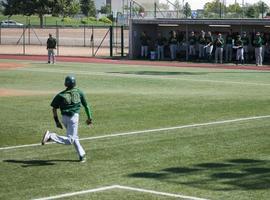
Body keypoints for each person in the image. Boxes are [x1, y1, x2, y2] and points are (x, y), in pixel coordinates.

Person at [41, 75, 93, 162]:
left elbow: (54, 108)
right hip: (73, 118)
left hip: (64, 118)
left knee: (74, 137)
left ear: (65, 84)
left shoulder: (60, 95)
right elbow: (86, 106)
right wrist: (89, 118)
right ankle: (51, 136)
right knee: (70, 140)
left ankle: (82, 155)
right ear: (75, 83)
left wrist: (57, 121)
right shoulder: (80, 92)